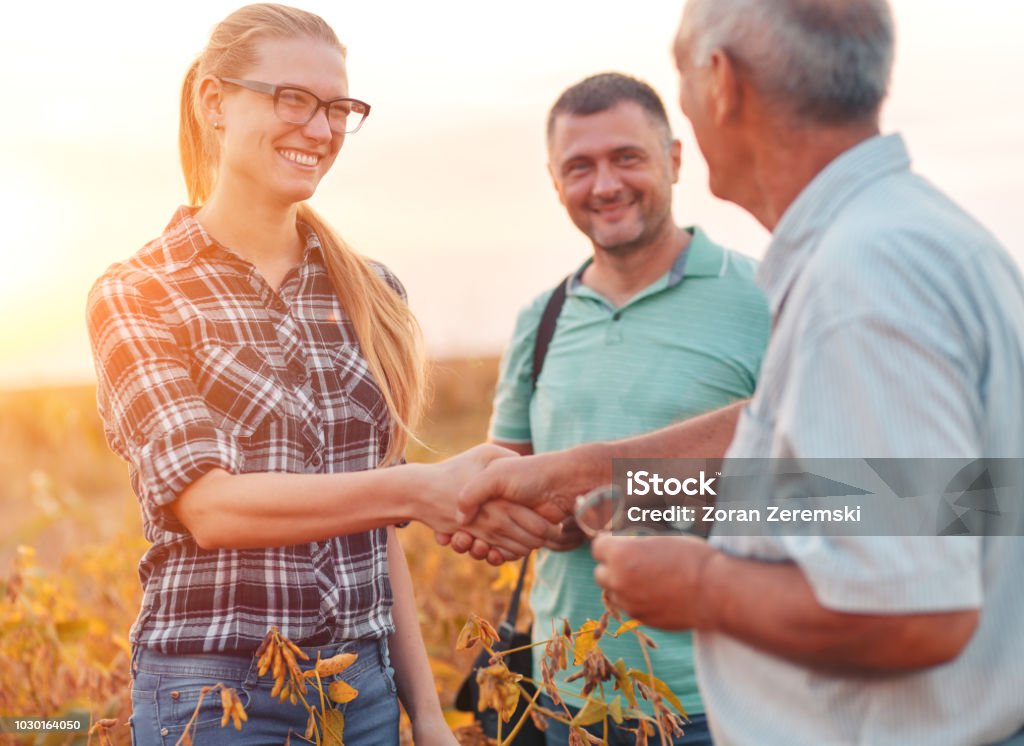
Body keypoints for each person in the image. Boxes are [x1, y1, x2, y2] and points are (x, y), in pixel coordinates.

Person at [455, 1, 1024, 744]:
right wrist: (595, 480)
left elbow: (921, 612)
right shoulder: (906, 237)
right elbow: (889, 496)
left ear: (720, 81)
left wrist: (702, 587)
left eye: (683, 83)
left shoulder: (861, 281)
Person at [86, 5, 551, 744]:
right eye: (292, 99)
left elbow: (375, 528)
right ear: (215, 102)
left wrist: (425, 715)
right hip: (214, 697)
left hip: (361, 692)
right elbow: (210, 509)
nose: (321, 129)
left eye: (338, 108)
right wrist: (420, 489)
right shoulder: (141, 291)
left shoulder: (372, 291)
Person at [485, 72, 768, 745]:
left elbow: (840, 488)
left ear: (673, 158)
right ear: (555, 183)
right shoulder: (541, 318)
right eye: (579, 168)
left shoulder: (768, 294)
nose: (604, 185)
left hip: (728, 700)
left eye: (627, 158)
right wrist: (525, 519)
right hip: (566, 701)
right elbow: (511, 479)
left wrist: (616, 499)